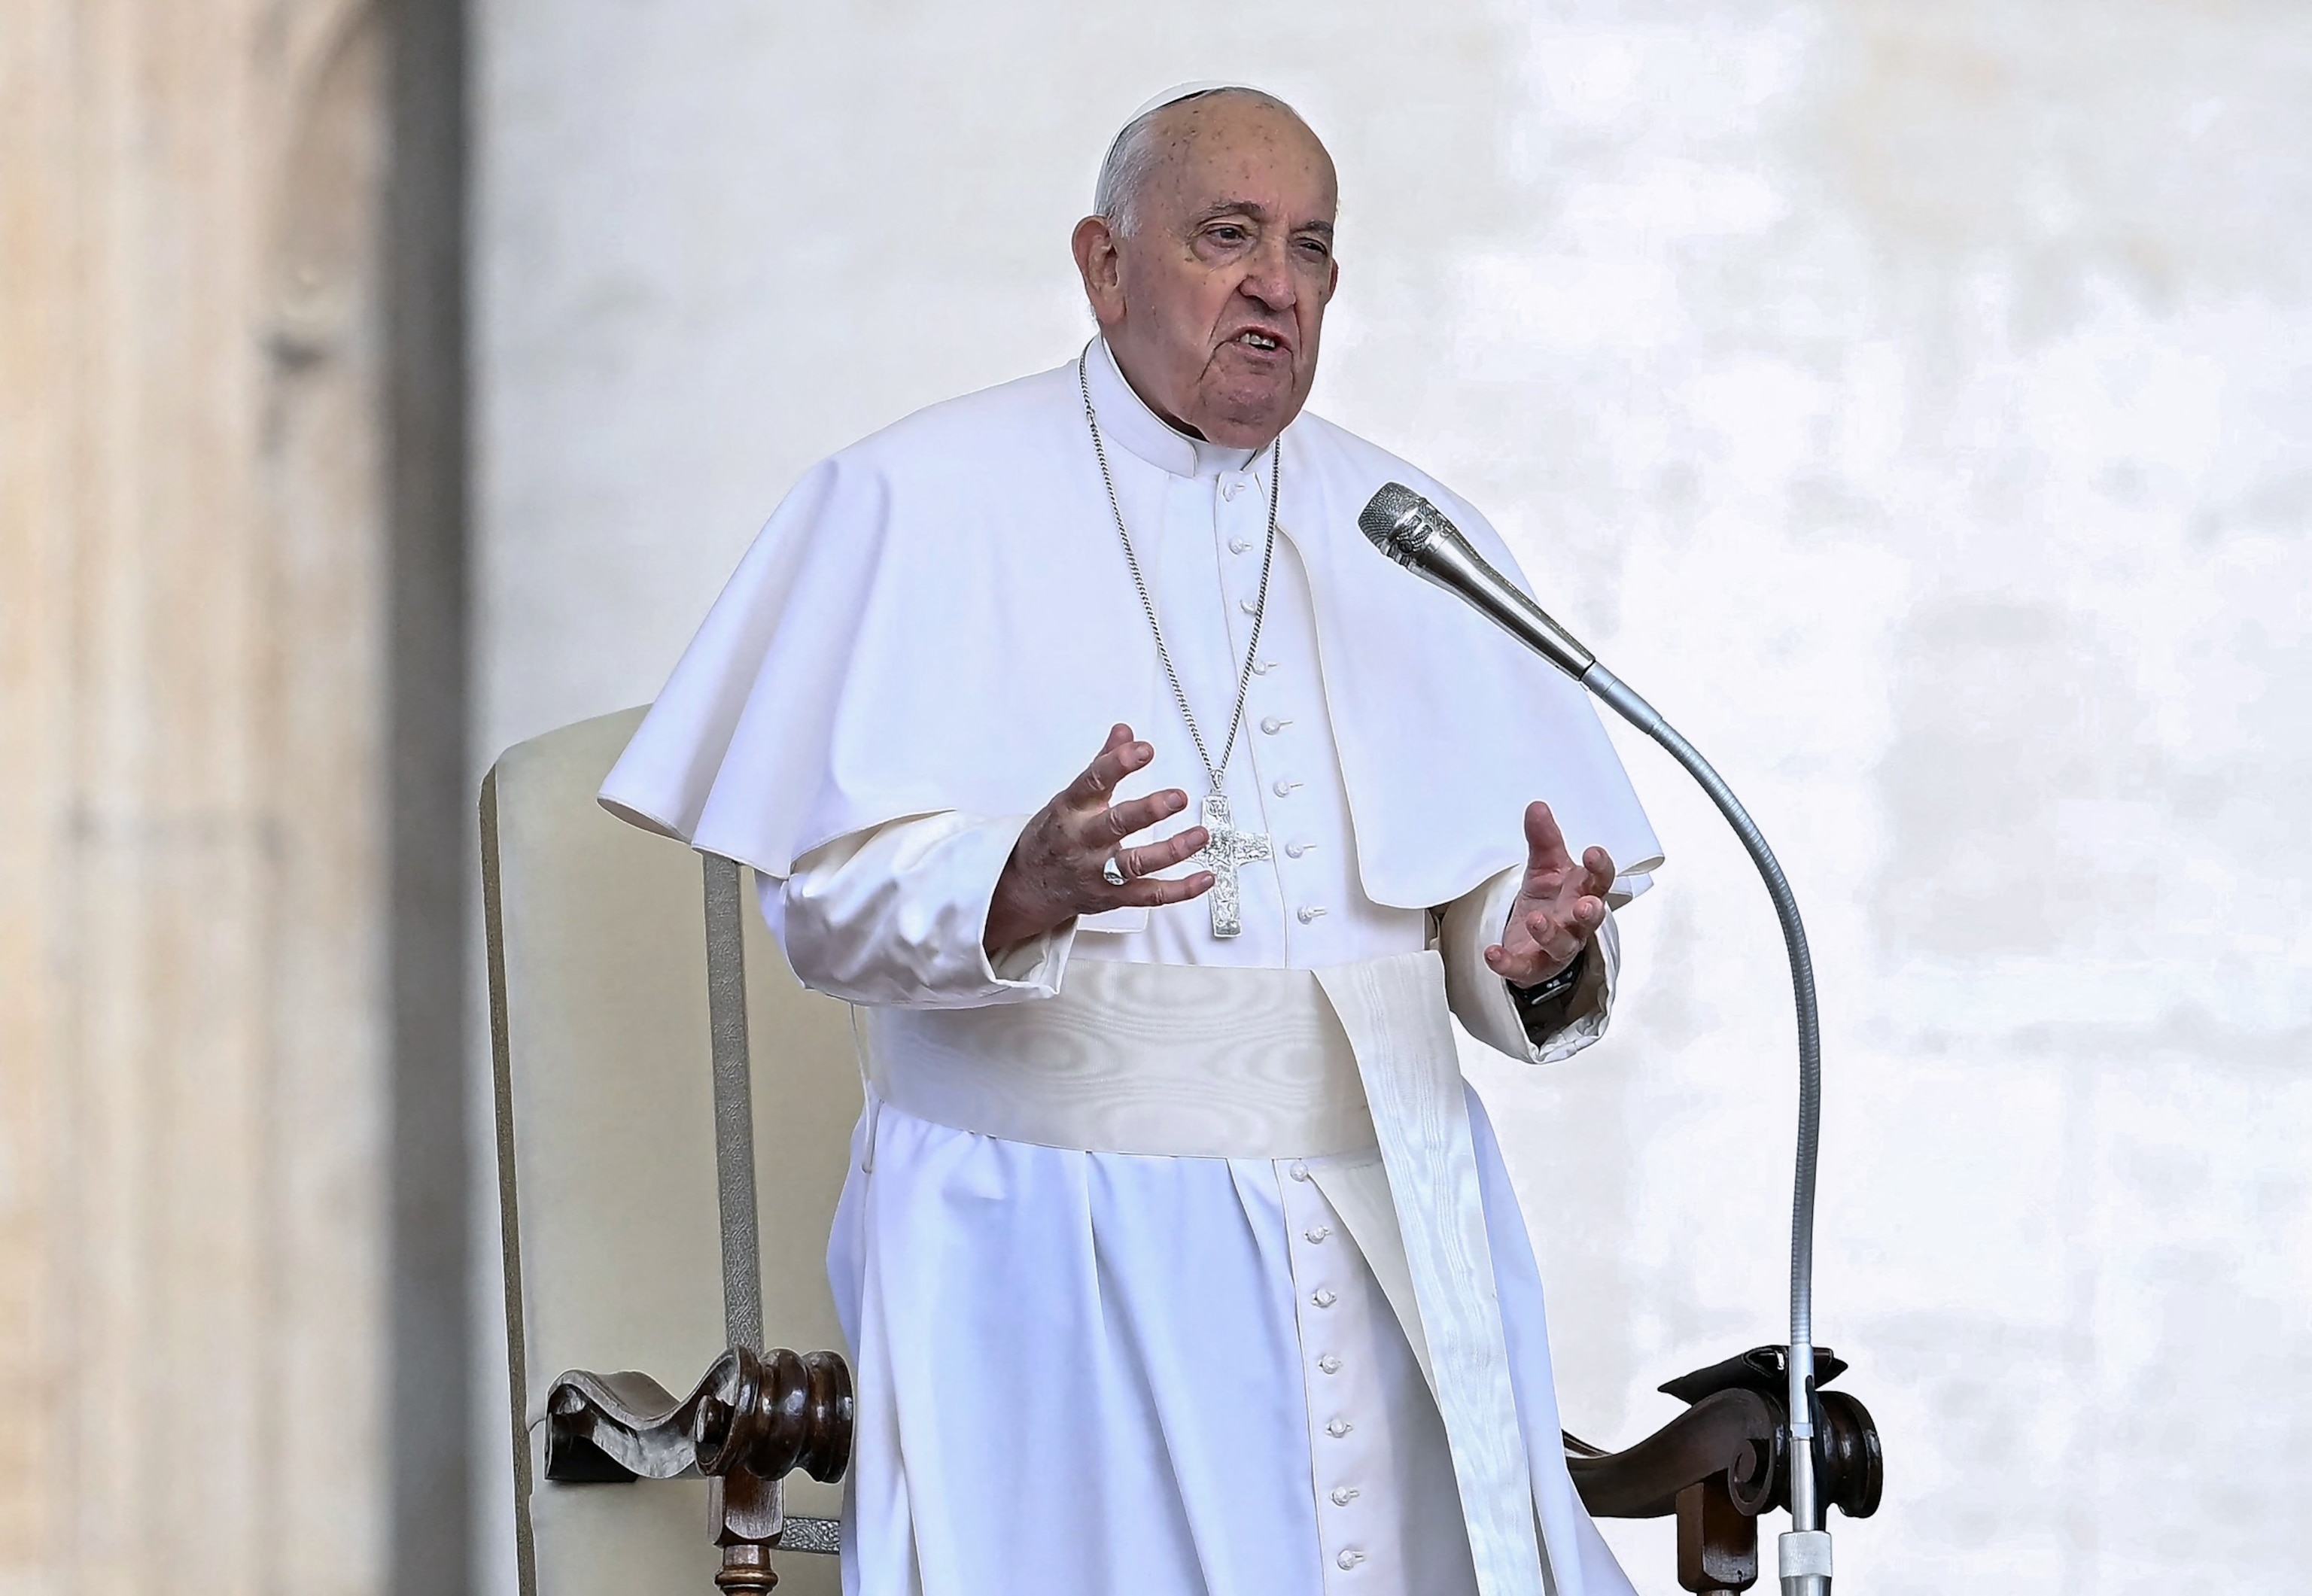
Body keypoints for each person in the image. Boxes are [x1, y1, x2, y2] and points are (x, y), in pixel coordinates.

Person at [602, 81, 1663, 1596]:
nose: (1274, 285)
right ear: (1104, 262)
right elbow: (820, 911)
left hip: (1391, 1233)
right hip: (1047, 1246)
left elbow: (1486, 919)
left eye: (1309, 249)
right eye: (1225, 237)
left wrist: (1533, 954)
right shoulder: (916, 500)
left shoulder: (1407, 528)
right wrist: (1011, 884)